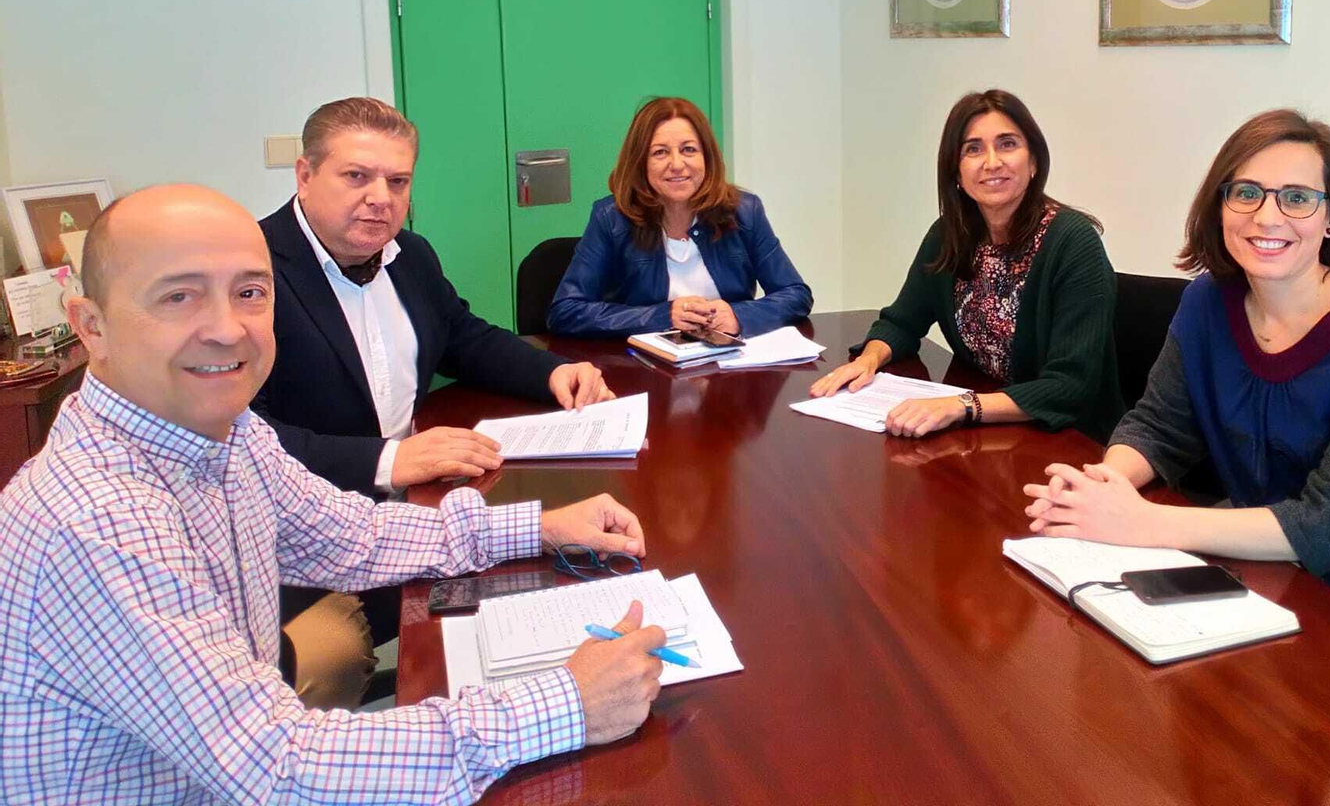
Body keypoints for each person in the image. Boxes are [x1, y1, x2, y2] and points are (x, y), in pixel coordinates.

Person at [0, 185, 665, 803]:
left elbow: (353, 536)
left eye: (250, 293)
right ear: (90, 325)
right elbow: (279, 766)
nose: (229, 328)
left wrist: (539, 528)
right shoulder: (98, 519)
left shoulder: (228, 435)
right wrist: (566, 704)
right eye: (179, 296)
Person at [1022, 109, 1330, 700]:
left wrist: (1140, 523)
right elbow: (1159, 427)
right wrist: (1101, 490)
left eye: (1297, 197)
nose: (1267, 216)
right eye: (1246, 193)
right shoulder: (1208, 302)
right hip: (1286, 587)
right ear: (1220, 205)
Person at [252, 96, 614, 709]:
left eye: (398, 181)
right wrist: (387, 460)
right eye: (357, 176)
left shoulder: (410, 255)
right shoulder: (251, 269)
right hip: (301, 534)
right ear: (305, 175)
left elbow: (464, 337)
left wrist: (553, 373)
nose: (381, 198)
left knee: (547, 582)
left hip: (417, 500)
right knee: (333, 657)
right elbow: (243, 435)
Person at [810, 89, 1121, 440]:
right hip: (992, 436)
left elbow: (1070, 386)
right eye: (973, 149)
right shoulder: (949, 235)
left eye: (1007, 144)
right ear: (956, 170)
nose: (992, 162)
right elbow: (902, 322)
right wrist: (866, 362)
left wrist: (963, 405)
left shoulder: (1073, 242)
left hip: (1070, 440)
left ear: (1034, 161)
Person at [547, 96, 813, 338]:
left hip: (729, 369)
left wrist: (738, 315)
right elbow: (566, 311)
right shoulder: (611, 218)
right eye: (660, 152)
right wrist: (663, 316)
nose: (676, 164)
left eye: (688, 150)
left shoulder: (744, 211)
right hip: (644, 371)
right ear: (641, 162)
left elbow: (796, 294)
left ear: (706, 157)